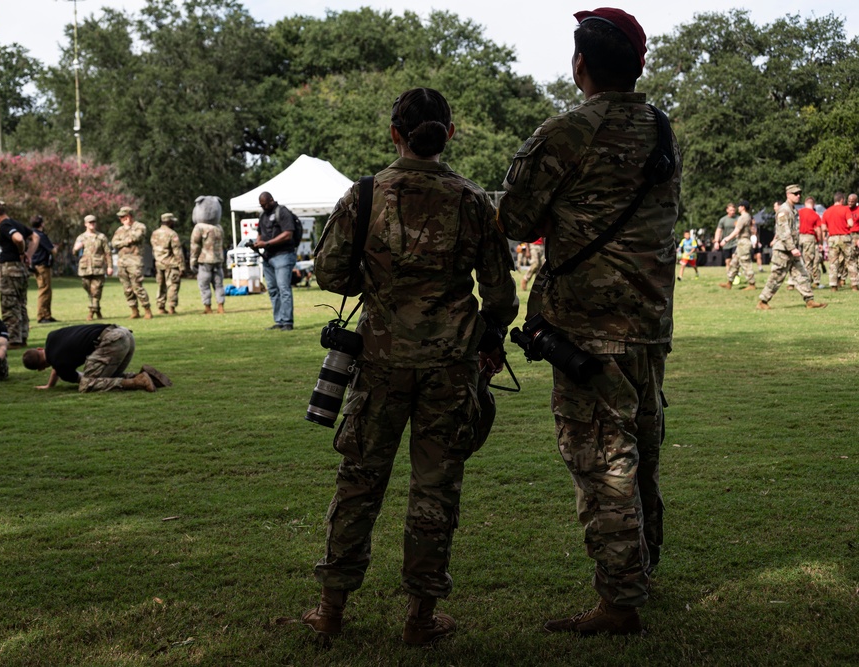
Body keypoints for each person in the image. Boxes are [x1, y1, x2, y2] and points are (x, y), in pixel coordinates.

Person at [302, 87, 518, 645]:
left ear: (394, 134)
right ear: (448, 134)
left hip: (379, 360)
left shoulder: (365, 194)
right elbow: (499, 293)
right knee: (436, 487)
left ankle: (330, 609)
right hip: (451, 367)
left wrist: (378, 289)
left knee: (359, 481)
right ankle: (420, 617)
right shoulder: (471, 200)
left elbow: (329, 272)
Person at [498, 8, 680, 636]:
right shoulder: (661, 129)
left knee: (603, 458)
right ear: (639, 65)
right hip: (649, 323)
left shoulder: (567, 132)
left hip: (587, 328)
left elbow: (516, 222)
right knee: (643, 450)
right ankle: (641, 571)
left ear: (580, 66)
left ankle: (620, 599)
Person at [22, 323, 171, 393]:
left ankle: (136, 382)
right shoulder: (52, 336)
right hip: (123, 332)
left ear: (41, 368)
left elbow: (83, 378)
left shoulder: (61, 366)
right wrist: (50, 384)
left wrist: (49, 386)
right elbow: (56, 365)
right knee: (107, 375)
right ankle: (147, 376)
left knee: (87, 384)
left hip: (112, 342)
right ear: (39, 349)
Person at [757, 186, 827, 310]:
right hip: (783, 250)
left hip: (791, 249)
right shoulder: (784, 210)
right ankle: (763, 301)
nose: (798, 195)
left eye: (799, 193)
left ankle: (809, 301)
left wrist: (795, 247)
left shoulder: (792, 210)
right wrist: (792, 248)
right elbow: (784, 232)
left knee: (802, 274)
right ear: (788, 194)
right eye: (795, 193)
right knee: (777, 276)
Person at [0, 199, 39, 347]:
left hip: (10, 268)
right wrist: (29, 255)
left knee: (10, 304)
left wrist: (22, 252)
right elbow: (36, 237)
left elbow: (18, 238)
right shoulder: (16, 223)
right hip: (21, 269)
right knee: (21, 303)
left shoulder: (5, 225)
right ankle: (22, 337)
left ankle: (13, 339)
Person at [254, 192, 296, 330]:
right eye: (261, 205)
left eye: (265, 204)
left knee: (283, 288)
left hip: (283, 254)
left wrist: (267, 243)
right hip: (268, 257)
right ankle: (279, 321)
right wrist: (258, 242)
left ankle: (287, 322)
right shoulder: (263, 215)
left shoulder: (282, 212)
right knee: (272, 289)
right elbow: (260, 233)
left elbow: (288, 234)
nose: (264, 207)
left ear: (271, 200)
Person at [111, 206, 152, 319]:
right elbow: (114, 243)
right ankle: (134, 310)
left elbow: (136, 237)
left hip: (135, 260)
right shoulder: (119, 230)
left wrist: (122, 241)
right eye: (120, 217)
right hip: (122, 261)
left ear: (130, 216)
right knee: (127, 288)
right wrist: (125, 242)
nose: (122, 219)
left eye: (124, 216)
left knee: (137, 286)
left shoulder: (140, 226)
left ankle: (147, 309)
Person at [189, 196, 226, 314]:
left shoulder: (199, 227)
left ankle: (208, 307)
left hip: (205, 260)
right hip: (218, 260)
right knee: (218, 284)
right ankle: (220, 305)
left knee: (204, 284)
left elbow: (195, 245)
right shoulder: (219, 227)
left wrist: (193, 261)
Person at [74, 215, 114, 320]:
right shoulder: (81, 237)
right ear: (85, 224)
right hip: (84, 268)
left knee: (96, 290)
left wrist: (110, 266)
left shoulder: (101, 237)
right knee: (89, 290)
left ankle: (91, 312)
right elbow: (74, 253)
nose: (92, 224)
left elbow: (108, 252)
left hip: (98, 268)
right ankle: (97, 309)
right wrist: (76, 249)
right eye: (89, 222)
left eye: (93, 222)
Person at [151, 212, 185, 314]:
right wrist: (181, 266)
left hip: (159, 263)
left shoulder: (155, 233)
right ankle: (171, 307)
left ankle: (161, 307)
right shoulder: (172, 234)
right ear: (169, 222)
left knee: (161, 285)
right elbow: (177, 251)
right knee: (173, 285)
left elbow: (154, 249)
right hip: (171, 264)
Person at [819, 192, 854, 292]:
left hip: (832, 238)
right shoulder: (846, 209)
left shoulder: (826, 212)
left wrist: (832, 227)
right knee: (850, 261)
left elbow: (823, 228)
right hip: (845, 238)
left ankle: (833, 286)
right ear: (842, 200)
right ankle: (854, 285)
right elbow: (851, 224)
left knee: (833, 263)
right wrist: (844, 226)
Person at [718, 200, 755, 290]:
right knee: (734, 263)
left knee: (745, 263)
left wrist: (726, 239)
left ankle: (752, 284)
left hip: (744, 242)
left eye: (739, 206)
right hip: (741, 242)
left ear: (742, 207)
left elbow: (736, 231)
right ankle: (729, 282)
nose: (738, 208)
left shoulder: (743, 217)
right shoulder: (745, 216)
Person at [30, 215, 59, 323]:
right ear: (41, 224)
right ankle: (41, 316)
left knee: (47, 290)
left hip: (38, 265)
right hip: (42, 266)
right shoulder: (40, 235)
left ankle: (47, 315)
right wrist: (55, 247)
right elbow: (53, 250)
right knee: (44, 291)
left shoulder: (32, 234)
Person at [797, 196, 824, 289]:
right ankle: (808, 282)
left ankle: (794, 282)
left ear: (805, 203)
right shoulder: (815, 215)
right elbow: (818, 230)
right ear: (814, 205)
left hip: (799, 237)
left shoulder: (799, 212)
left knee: (798, 260)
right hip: (809, 238)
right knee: (809, 261)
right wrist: (820, 242)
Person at [713, 203, 738, 269]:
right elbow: (718, 230)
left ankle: (736, 276)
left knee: (735, 258)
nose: (732, 212)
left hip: (736, 242)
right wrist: (716, 242)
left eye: (733, 210)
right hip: (726, 243)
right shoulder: (723, 220)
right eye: (731, 210)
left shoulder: (738, 218)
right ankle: (729, 277)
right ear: (727, 210)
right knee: (728, 261)